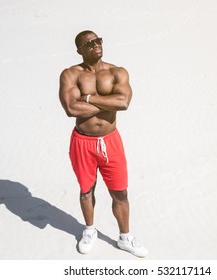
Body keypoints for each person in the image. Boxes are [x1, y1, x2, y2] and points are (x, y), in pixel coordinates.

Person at [59, 30, 148, 258]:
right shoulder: (71, 74)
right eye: (88, 43)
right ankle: (89, 230)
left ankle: (125, 237)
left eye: (98, 40)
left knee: (120, 192)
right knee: (86, 190)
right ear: (80, 50)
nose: (95, 45)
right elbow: (71, 109)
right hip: (82, 142)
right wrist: (109, 103)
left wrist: (87, 99)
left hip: (111, 141)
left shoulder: (117, 71)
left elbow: (124, 102)